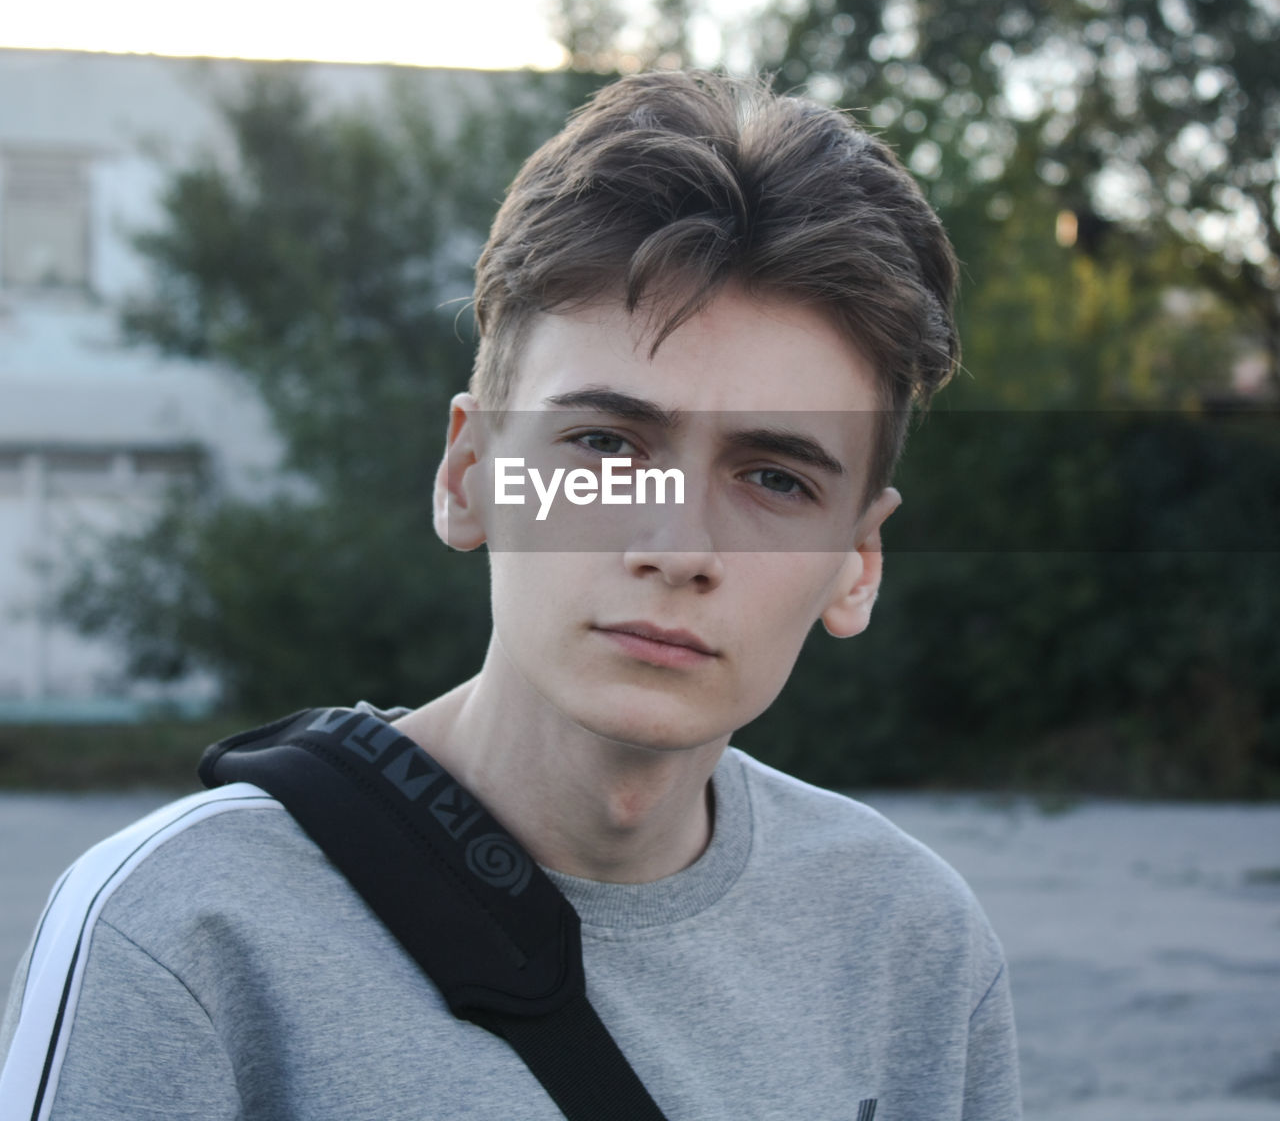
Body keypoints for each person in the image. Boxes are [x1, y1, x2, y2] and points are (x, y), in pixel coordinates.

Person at [0, 70, 1021, 1119]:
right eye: (603, 444)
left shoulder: (910, 946)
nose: (678, 545)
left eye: (773, 477)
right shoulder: (182, 931)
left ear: (854, 561)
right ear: (467, 475)